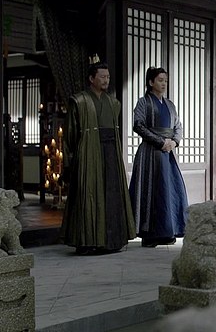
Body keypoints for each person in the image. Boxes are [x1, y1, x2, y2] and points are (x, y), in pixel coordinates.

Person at [61, 60, 136, 255]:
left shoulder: (113, 103)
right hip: (88, 152)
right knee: (89, 195)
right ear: (91, 78)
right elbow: (70, 134)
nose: (106, 80)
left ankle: (112, 240)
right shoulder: (79, 101)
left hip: (110, 152)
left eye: (108, 77)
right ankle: (87, 242)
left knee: (111, 194)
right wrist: (71, 160)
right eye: (102, 77)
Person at [129, 67, 189, 248]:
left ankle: (167, 231)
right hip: (150, 153)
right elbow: (138, 125)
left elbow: (178, 126)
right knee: (152, 192)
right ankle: (149, 234)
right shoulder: (143, 103)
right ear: (150, 82)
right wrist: (160, 142)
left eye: (165, 80)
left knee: (168, 191)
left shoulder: (170, 105)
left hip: (167, 153)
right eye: (160, 80)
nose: (164, 84)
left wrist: (174, 142)